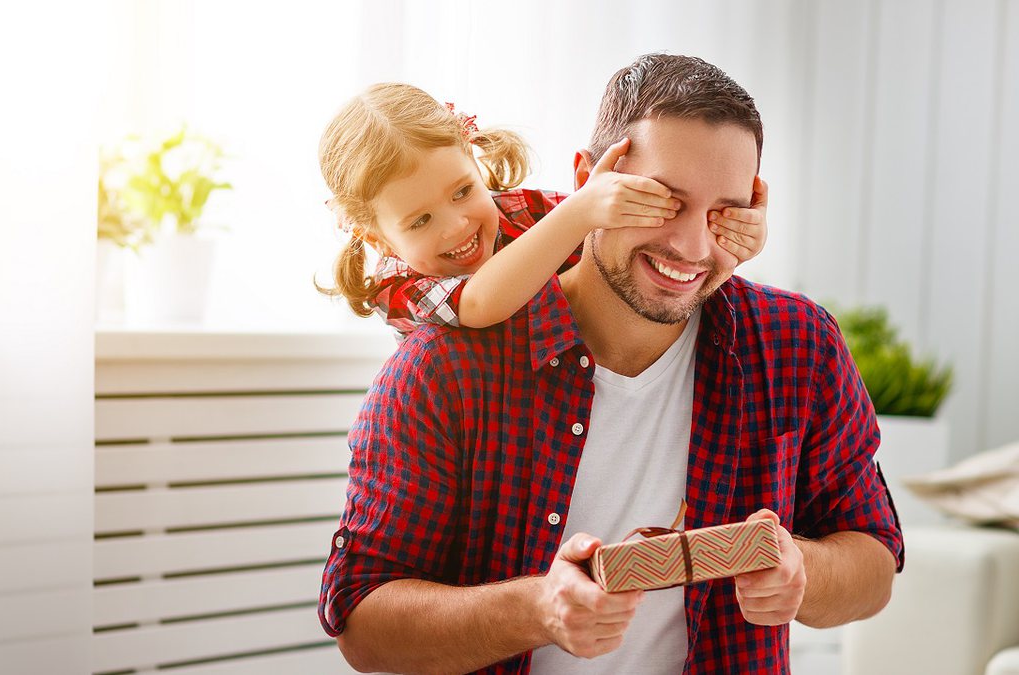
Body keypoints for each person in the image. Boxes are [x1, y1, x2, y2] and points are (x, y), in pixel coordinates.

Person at [318, 54, 903, 675]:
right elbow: (364, 625)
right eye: (662, 202)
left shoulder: (795, 344)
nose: (693, 246)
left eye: (724, 212)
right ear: (589, 181)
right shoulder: (440, 371)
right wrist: (537, 608)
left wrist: (800, 571)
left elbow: (875, 564)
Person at [318, 82, 766, 336]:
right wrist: (579, 210)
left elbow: (616, 238)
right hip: (485, 418)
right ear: (377, 237)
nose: (457, 225)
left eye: (461, 192)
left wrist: (730, 229)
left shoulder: (521, 212)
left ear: (475, 161)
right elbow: (477, 303)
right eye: (420, 221)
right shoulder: (396, 285)